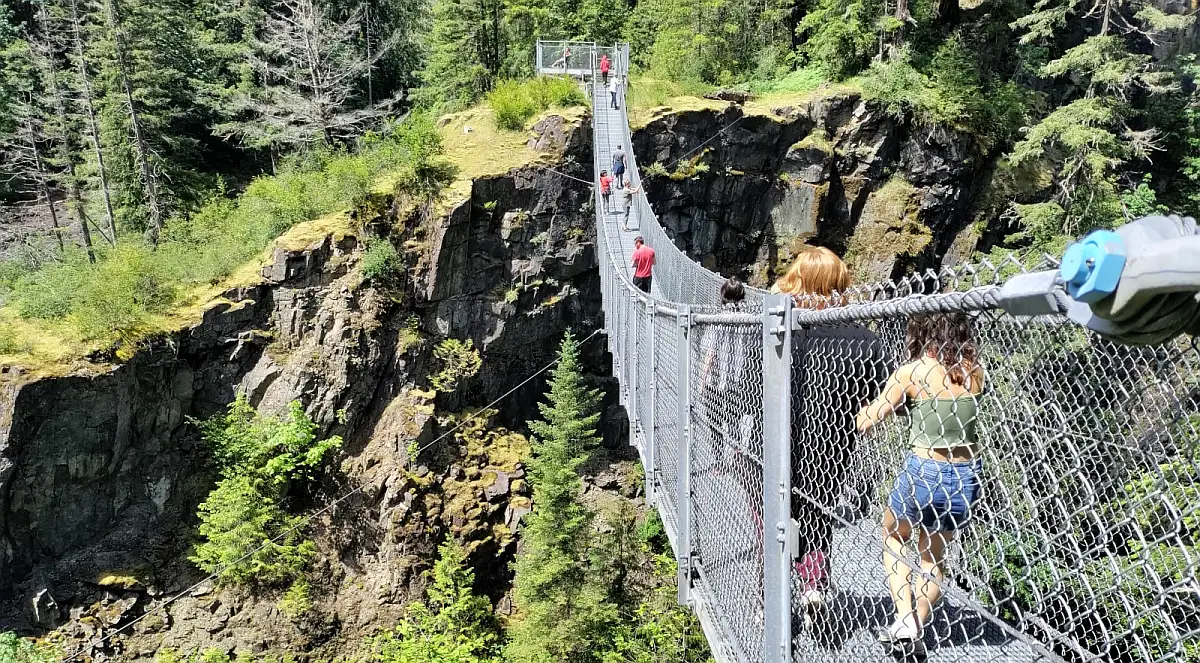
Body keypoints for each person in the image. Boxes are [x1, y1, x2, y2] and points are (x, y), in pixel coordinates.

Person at [774, 246, 890, 636]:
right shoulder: (866, 341)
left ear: (797, 280)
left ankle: (768, 596)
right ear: (840, 284)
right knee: (817, 516)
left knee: (770, 518)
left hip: (774, 443)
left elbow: (753, 388)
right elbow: (876, 402)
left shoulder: (777, 329)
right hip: (832, 447)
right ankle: (814, 585)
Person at [856, 312, 985, 659]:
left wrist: (861, 411)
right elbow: (945, 410)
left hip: (924, 471)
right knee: (933, 556)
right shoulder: (974, 372)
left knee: (893, 535)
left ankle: (905, 619)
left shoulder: (912, 371)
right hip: (964, 475)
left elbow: (871, 420)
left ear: (921, 332)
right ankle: (917, 627)